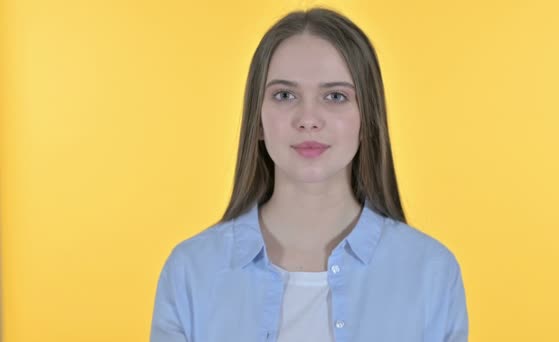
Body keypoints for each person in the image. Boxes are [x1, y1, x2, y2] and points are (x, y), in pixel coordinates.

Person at [151, 6, 468, 342]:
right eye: (284, 95)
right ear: (257, 119)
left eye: (335, 96)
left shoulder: (431, 272)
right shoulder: (190, 272)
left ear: (367, 119)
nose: (308, 118)